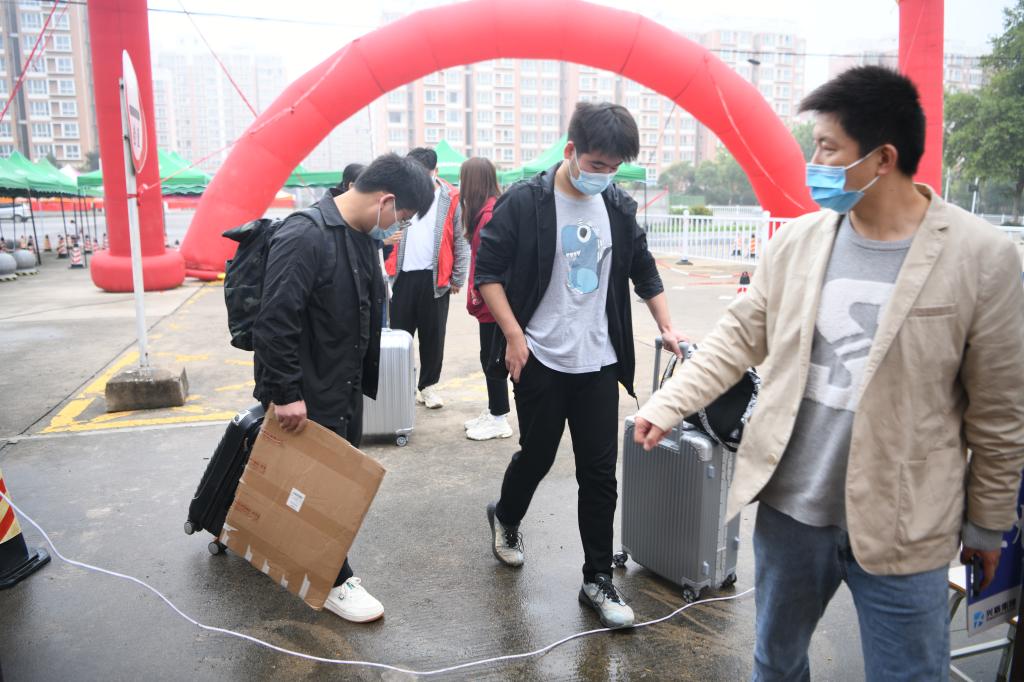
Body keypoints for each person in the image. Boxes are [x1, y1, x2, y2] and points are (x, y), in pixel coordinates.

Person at [634, 66, 1024, 680]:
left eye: (827, 148)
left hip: (906, 524)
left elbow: (1000, 413)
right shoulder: (799, 241)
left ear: (883, 158)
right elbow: (737, 336)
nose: (813, 163)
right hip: (792, 510)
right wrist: (668, 403)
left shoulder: (981, 257)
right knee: (776, 663)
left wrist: (986, 525)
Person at [475, 102, 687, 629]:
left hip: (598, 361)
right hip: (540, 356)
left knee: (599, 473)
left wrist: (667, 326)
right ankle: (506, 515)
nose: (604, 175)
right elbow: (488, 273)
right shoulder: (525, 201)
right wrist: (514, 336)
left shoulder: (617, 206)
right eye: (596, 164)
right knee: (538, 455)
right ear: (571, 151)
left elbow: (645, 271)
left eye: (614, 167)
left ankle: (597, 578)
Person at [252, 153, 434, 623]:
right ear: (385, 200)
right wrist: (286, 392)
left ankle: (305, 559)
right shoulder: (305, 234)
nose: (398, 228)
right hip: (310, 394)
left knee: (326, 487)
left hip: (345, 386)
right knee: (322, 493)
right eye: (402, 217)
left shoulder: (359, 237)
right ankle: (334, 580)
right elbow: (275, 320)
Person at [384, 147, 470, 409]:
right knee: (400, 336)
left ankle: (428, 386)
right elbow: (381, 229)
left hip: (435, 279)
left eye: (424, 174)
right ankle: (403, 387)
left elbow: (460, 237)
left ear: (436, 171)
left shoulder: (450, 197)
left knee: (433, 337)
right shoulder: (396, 195)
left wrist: (458, 276)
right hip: (400, 278)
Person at [460, 157, 512, 441]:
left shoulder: (490, 215)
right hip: (488, 302)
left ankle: (499, 418)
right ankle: (494, 410)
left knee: (494, 359)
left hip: (494, 302)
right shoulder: (486, 212)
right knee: (488, 356)